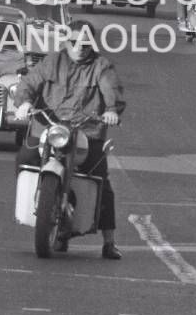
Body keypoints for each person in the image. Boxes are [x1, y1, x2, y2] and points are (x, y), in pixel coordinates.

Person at [13, 20, 126, 259]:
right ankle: (35, 201)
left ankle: (109, 242)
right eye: (74, 43)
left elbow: (111, 90)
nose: (79, 48)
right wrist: (23, 102)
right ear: (67, 41)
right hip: (49, 128)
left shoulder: (101, 67)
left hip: (86, 132)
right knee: (24, 158)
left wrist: (112, 111)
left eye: (85, 44)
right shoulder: (52, 61)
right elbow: (29, 83)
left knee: (101, 179)